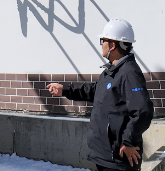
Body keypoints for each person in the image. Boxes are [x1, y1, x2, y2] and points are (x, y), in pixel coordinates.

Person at [46, 19, 154, 171]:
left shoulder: (129, 74)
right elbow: (94, 90)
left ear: (112, 45)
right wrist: (65, 90)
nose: (101, 44)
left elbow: (142, 112)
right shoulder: (112, 71)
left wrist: (129, 141)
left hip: (117, 160)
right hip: (106, 156)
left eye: (103, 41)